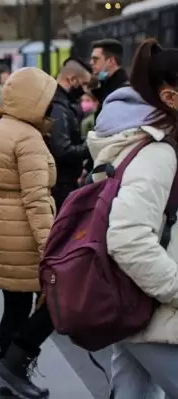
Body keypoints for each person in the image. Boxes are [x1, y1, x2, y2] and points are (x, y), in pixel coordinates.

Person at [88, 39, 178, 398]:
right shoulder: (158, 155)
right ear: (170, 98)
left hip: (139, 311)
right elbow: (126, 237)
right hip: (155, 315)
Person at [0, 67, 57, 399]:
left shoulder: (2, 128)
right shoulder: (28, 138)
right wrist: (50, 247)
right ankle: (14, 366)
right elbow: (36, 198)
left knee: (13, 306)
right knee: (56, 303)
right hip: (22, 231)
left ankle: (8, 382)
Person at [46, 59, 91, 209]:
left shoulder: (59, 103)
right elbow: (62, 150)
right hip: (61, 185)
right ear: (71, 79)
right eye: (83, 84)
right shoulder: (59, 108)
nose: (85, 90)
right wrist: (90, 145)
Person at [89, 38, 129, 118]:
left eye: (95, 59)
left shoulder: (122, 92)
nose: (91, 62)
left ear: (111, 61)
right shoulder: (105, 87)